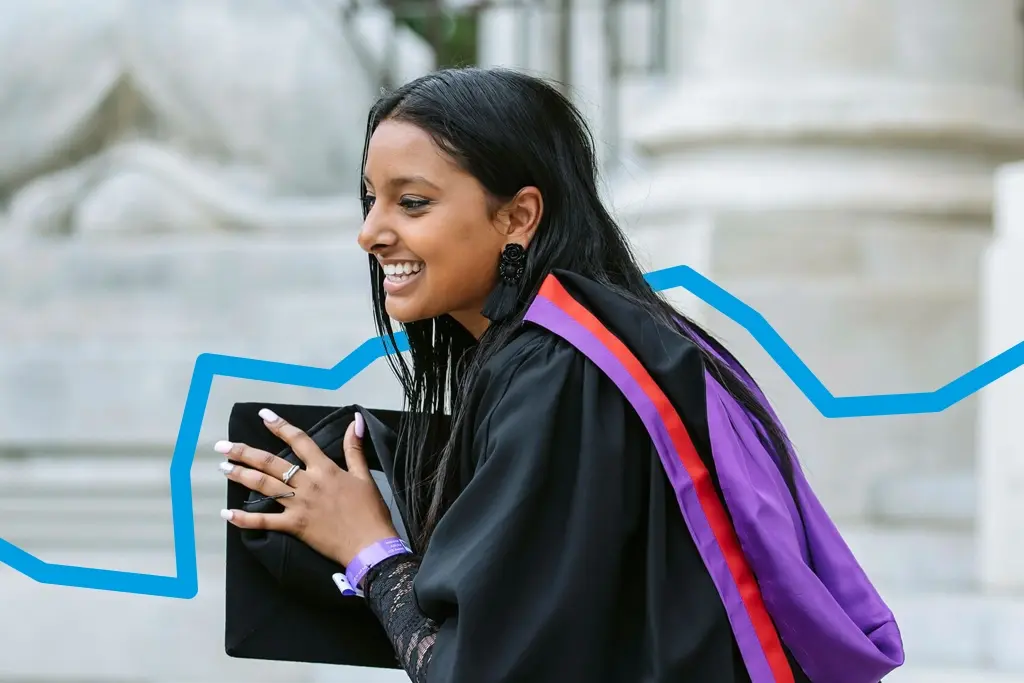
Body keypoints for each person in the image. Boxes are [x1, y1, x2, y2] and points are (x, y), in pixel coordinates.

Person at [215, 67, 905, 683]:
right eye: (370, 199)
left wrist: (369, 549)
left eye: (412, 202)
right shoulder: (603, 345)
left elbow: (484, 669)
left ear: (518, 216)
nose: (371, 231)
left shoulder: (563, 375)